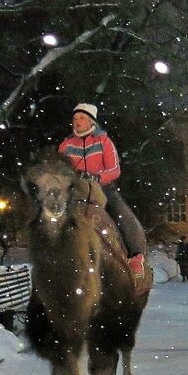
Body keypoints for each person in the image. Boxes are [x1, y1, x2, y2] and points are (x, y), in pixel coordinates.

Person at [58, 103, 148, 277]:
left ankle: (136, 256)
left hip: (103, 188)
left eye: (81, 118)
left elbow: (115, 169)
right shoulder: (66, 145)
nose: (77, 121)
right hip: (75, 191)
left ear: (91, 121)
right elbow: (59, 169)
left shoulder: (104, 141)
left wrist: (98, 177)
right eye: (75, 118)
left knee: (122, 213)